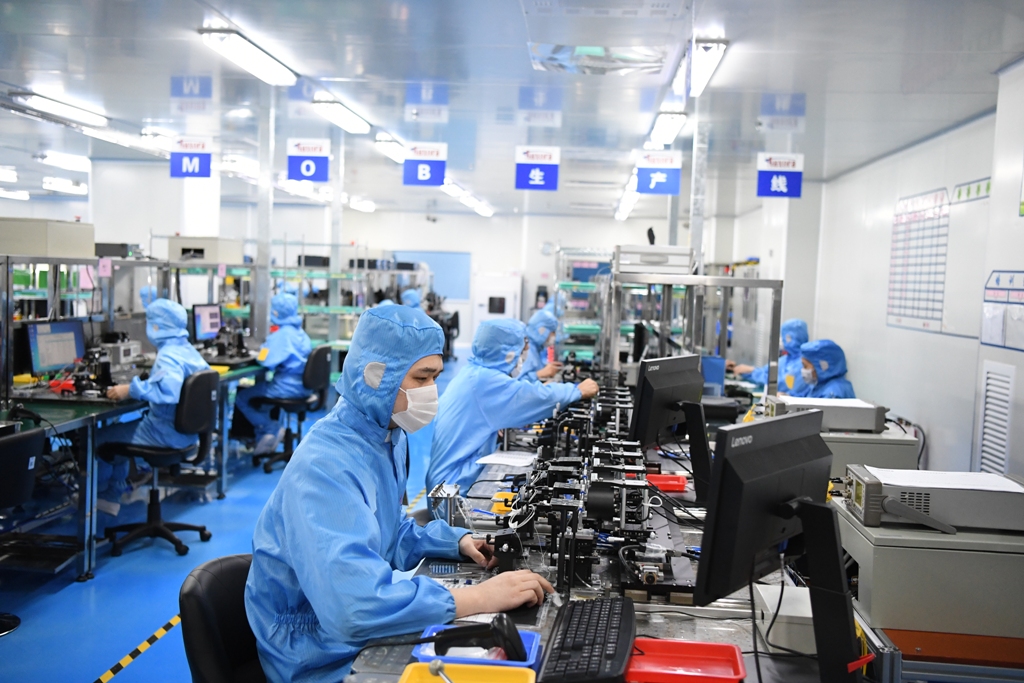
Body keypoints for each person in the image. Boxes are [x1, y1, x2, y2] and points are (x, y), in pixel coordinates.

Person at [245, 305, 554, 682]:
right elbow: (351, 608)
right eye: (422, 378)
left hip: (350, 626)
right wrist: (479, 598)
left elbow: (388, 532)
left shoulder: (388, 436)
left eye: (436, 377)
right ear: (376, 376)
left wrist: (456, 541)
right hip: (315, 648)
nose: (432, 391)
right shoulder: (325, 466)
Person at [427, 318, 599, 493]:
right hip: (453, 487)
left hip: (448, 480)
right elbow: (533, 397)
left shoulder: (474, 372)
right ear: (507, 352)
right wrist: (577, 390)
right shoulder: (485, 381)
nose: (525, 351)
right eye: (522, 346)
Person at [97, 299, 211, 515]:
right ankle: (113, 492)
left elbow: (168, 391)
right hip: (186, 435)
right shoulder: (187, 350)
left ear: (157, 327)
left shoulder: (168, 355)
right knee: (120, 432)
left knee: (98, 438)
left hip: (163, 434)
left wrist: (130, 389)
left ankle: (103, 495)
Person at [235, 293, 313, 454]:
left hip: (286, 388)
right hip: (304, 387)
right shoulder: (301, 333)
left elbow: (266, 361)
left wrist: (262, 350)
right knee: (261, 399)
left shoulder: (282, 335)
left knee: (242, 398)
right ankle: (263, 437)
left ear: (276, 312)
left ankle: (269, 428)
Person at [726, 318, 809, 394]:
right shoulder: (785, 359)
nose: (782, 340)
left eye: (784, 337)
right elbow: (766, 371)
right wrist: (746, 371)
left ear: (791, 338)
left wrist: (753, 371)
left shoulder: (804, 363)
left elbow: (781, 383)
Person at [519, 308, 563, 382]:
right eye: (552, 332)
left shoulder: (536, 349)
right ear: (542, 330)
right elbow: (518, 383)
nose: (554, 336)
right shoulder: (527, 350)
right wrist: (540, 374)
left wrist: (547, 368)